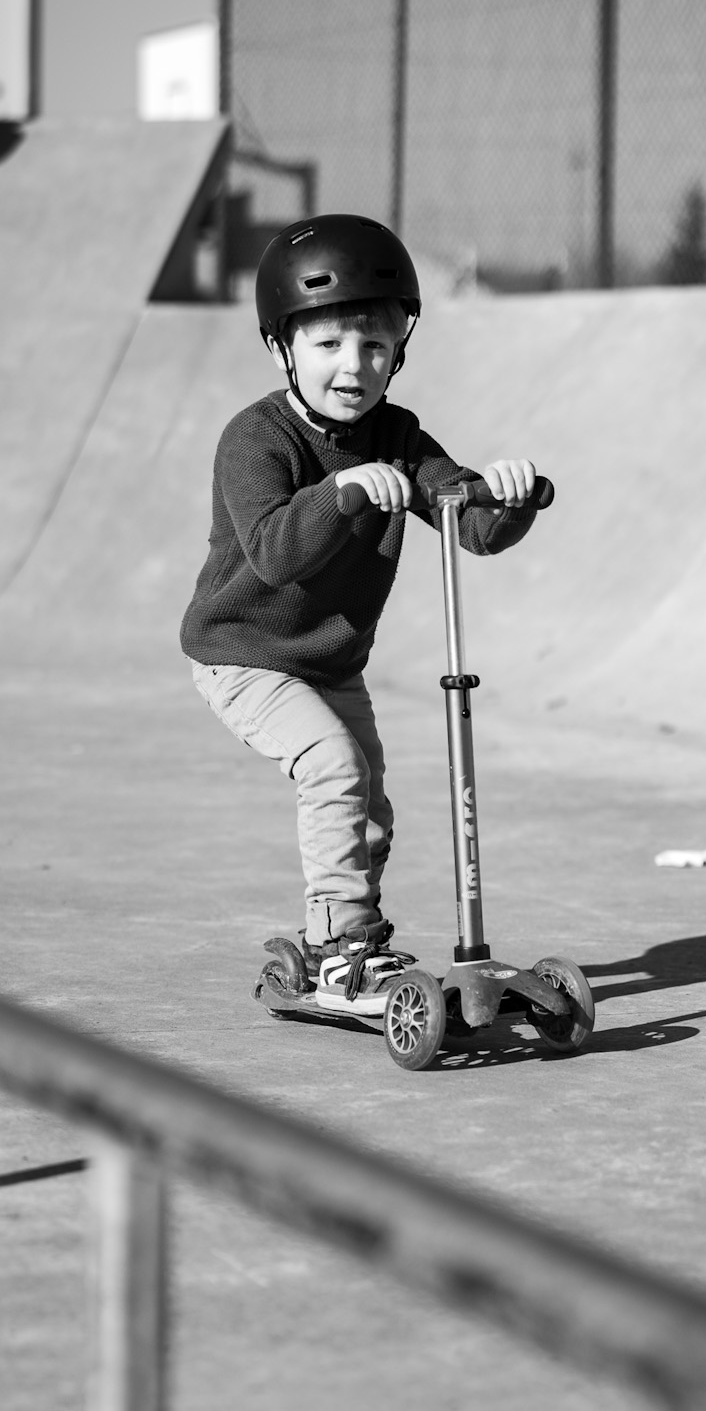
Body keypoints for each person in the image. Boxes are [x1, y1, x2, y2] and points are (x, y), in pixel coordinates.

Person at [180, 212, 541, 1013]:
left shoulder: (396, 436)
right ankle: (341, 950)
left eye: (374, 346)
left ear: (398, 351)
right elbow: (274, 550)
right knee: (332, 768)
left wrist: (507, 497)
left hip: (330, 661)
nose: (354, 366)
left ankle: (349, 937)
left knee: (369, 806)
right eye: (329, 345)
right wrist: (340, 493)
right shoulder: (255, 439)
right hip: (243, 652)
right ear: (282, 347)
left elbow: (467, 521)